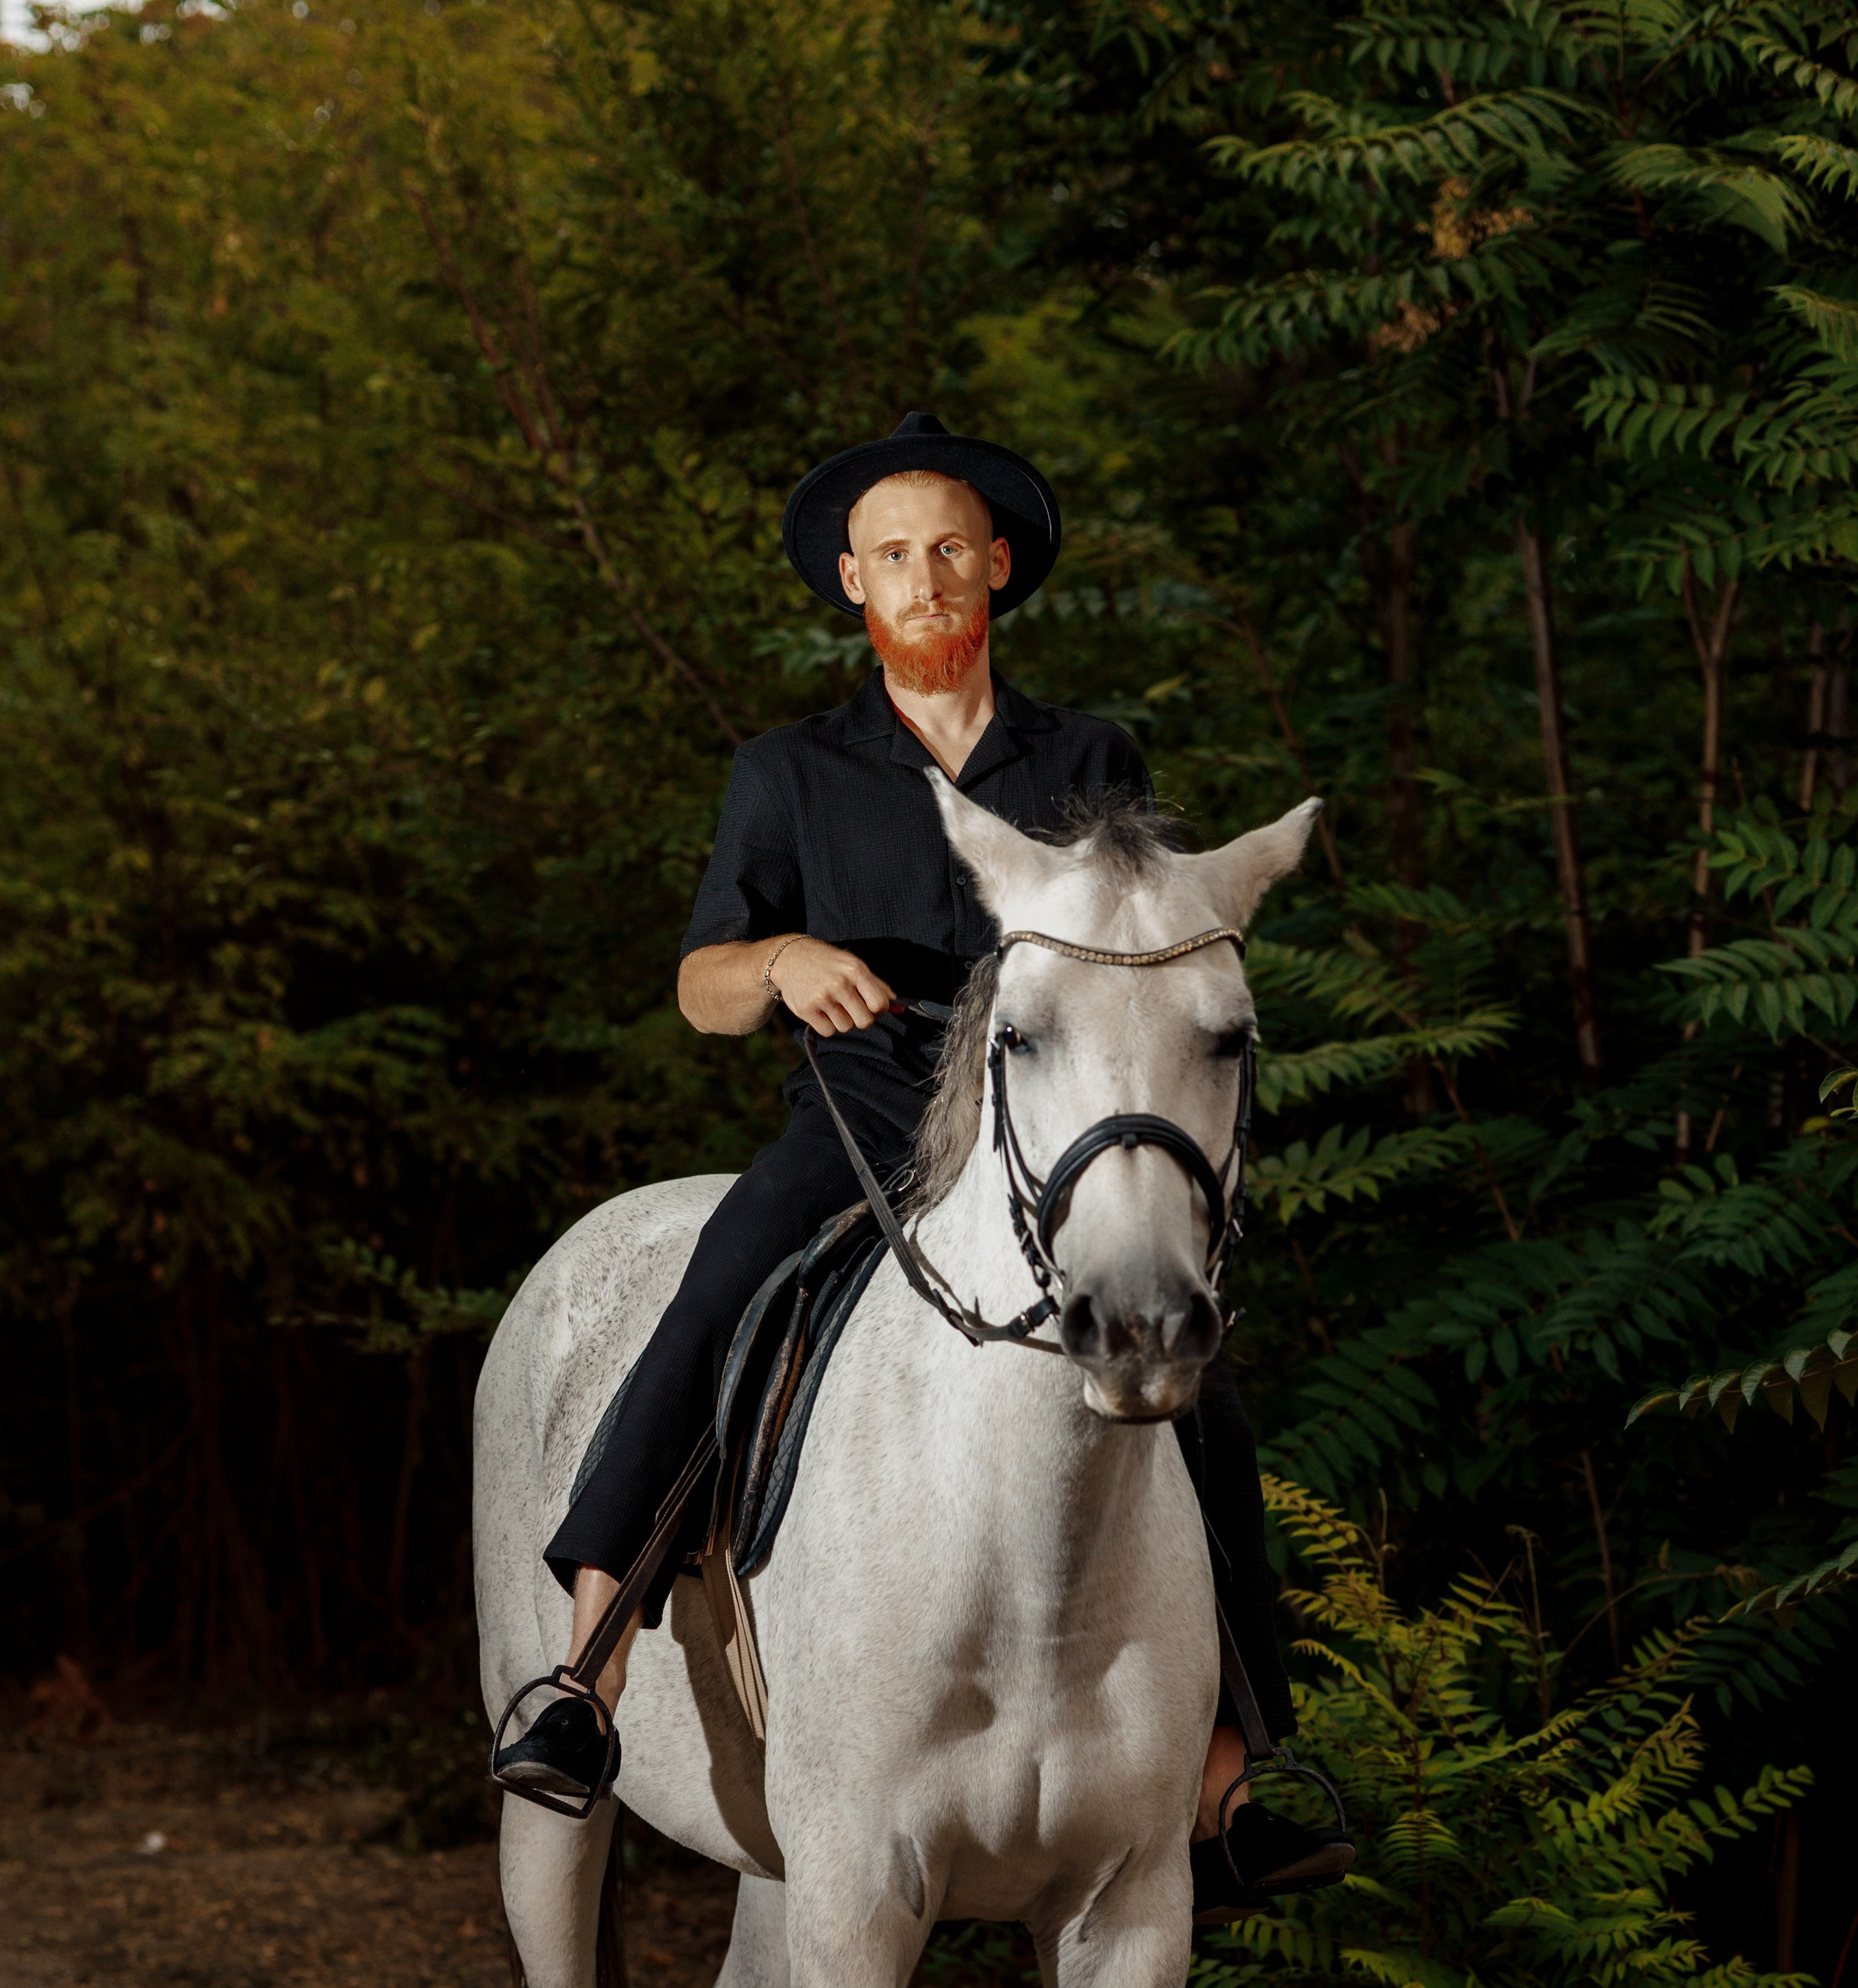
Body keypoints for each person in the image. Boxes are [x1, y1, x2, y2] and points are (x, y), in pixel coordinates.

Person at [496, 411, 1351, 1903]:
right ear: (851, 585)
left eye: (951, 546)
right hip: (864, 1129)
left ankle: (1238, 1763)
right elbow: (697, 983)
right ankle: (581, 1677)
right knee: (711, 1303)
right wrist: (773, 959)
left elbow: (1140, 950)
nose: (926, 572)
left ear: (998, 567)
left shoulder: (1086, 756)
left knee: (1192, 1381)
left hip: (1051, 1142)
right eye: (893, 553)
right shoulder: (786, 773)